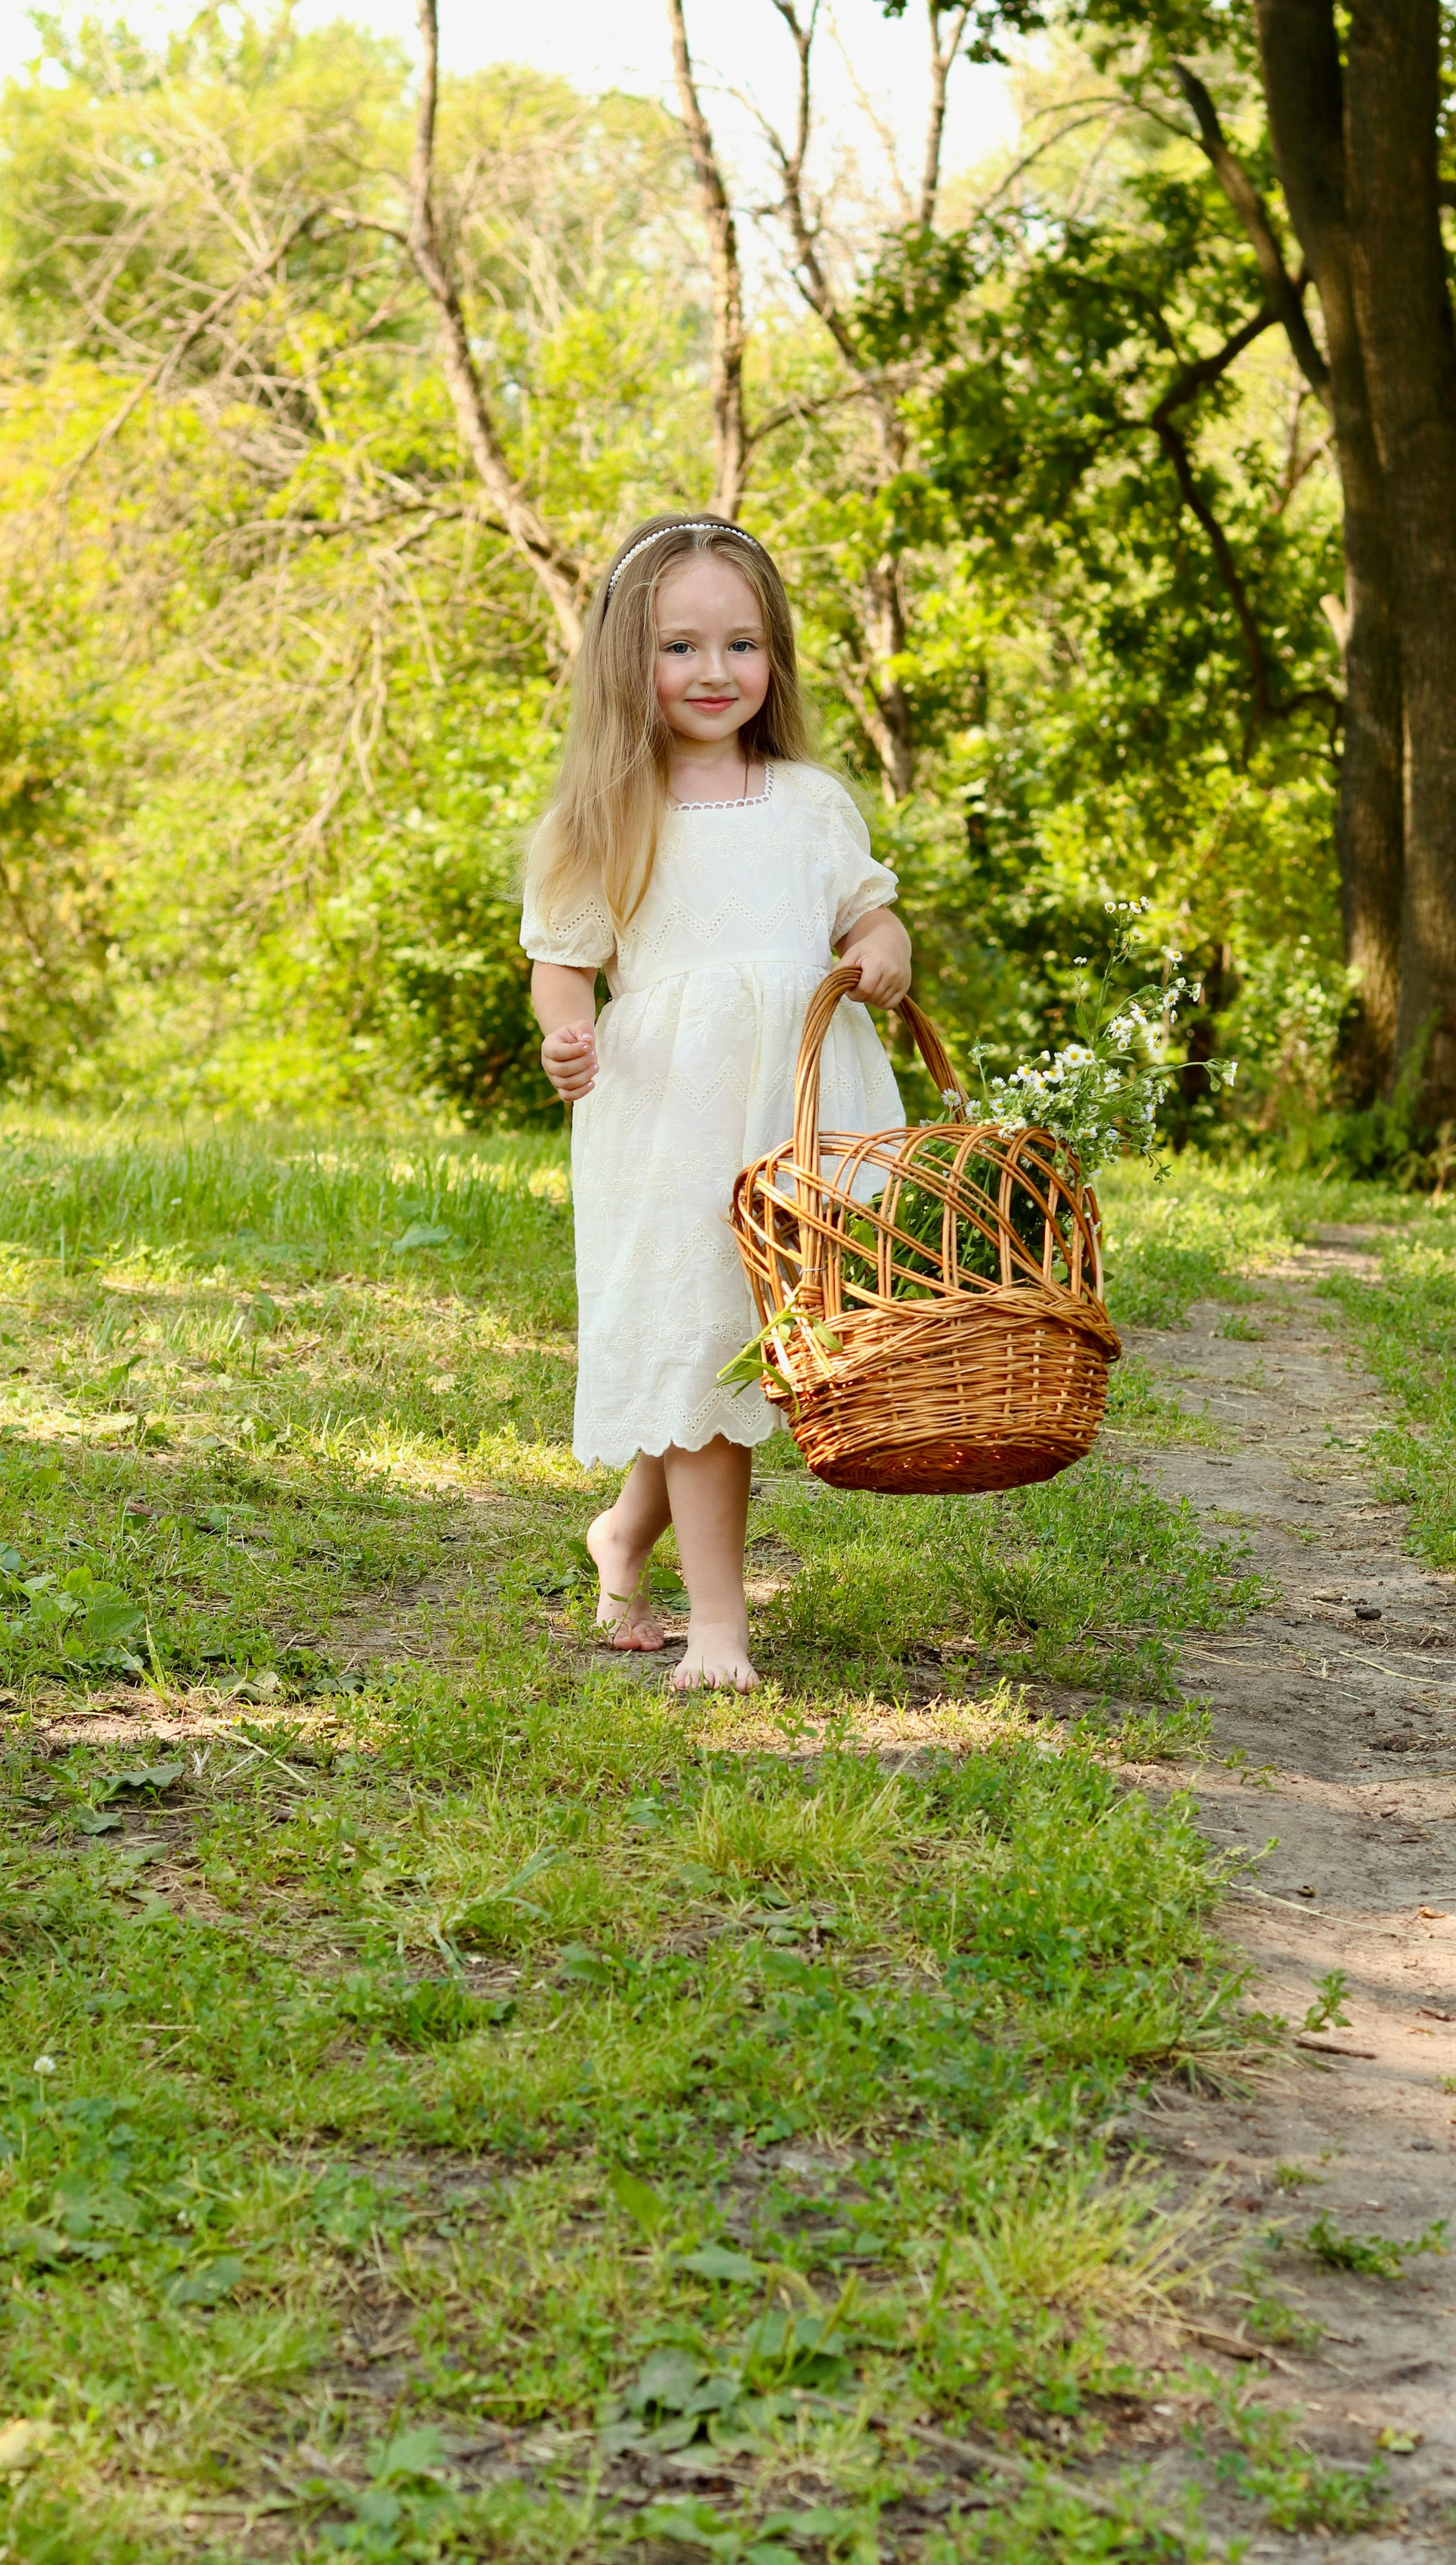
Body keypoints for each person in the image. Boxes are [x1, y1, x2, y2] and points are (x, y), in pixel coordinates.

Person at [523, 513, 913, 1691]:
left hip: (803, 1107)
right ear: (626, 662)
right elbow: (563, 957)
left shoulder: (807, 801)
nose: (712, 672)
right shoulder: (607, 810)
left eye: (740, 645)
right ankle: (718, 1631)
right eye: (680, 647)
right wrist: (565, 1035)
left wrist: (884, 944)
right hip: (668, 1112)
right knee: (700, 1335)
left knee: (766, 1350)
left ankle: (623, 1533)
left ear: (774, 658)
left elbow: (863, 911)